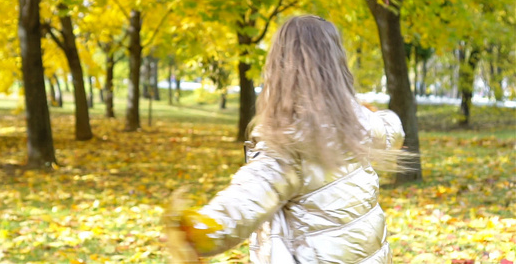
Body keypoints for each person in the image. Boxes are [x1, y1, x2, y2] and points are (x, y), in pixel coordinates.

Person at [165, 15, 406, 263]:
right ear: (337, 64)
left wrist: (204, 229)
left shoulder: (291, 138)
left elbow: (251, 194)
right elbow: (390, 130)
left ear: (279, 66)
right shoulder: (358, 122)